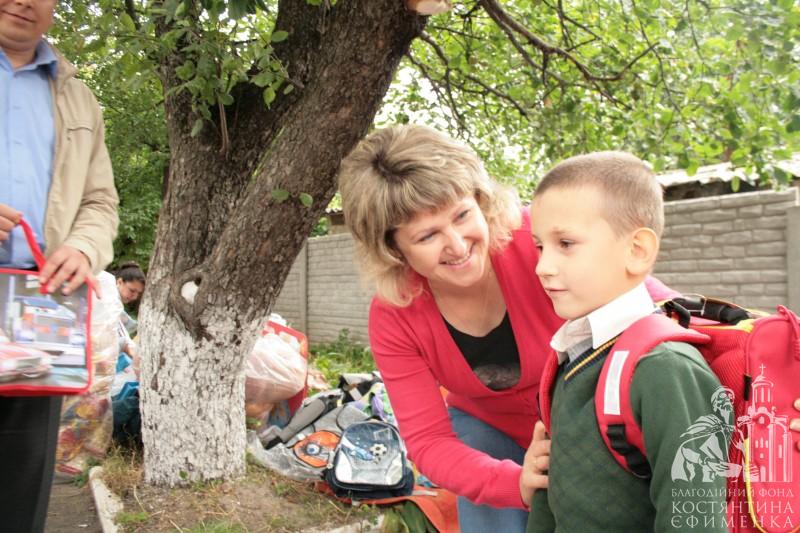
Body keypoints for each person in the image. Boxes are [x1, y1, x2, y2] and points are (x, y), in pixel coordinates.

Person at [338, 124, 683, 531]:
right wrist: (514, 483)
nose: (457, 245)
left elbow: (643, 298)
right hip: (488, 433)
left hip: (587, 418)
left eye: (462, 215)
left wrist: (731, 331)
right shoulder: (395, 315)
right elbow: (430, 442)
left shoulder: (537, 241)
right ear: (394, 249)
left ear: (481, 201)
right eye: (428, 236)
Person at [525, 151, 728, 531]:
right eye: (539, 246)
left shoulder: (666, 369)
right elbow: (549, 499)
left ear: (637, 251)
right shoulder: (574, 354)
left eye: (565, 243)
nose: (542, 266)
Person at [0, 0, 119, 530]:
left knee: (20, 486)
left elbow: (100, 201)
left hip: (37, 310)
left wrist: (83, 247)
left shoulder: (78, 97)